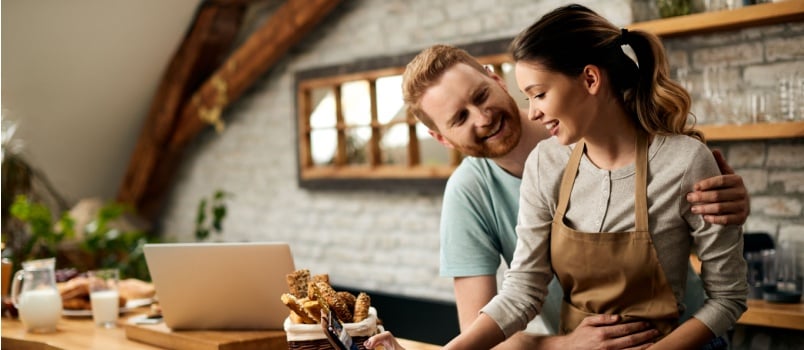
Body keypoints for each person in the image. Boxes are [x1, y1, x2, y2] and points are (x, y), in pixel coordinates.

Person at [368, 13, 749, 350]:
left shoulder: (680, 158)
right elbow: (517, 295)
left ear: (496, 81)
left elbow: (727, 292)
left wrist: (729, 203)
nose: (482, 118)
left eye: (481, 96)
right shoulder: (530, 169)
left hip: (685, 333)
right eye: (459, 118)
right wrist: (564, 346)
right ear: (443, 139)